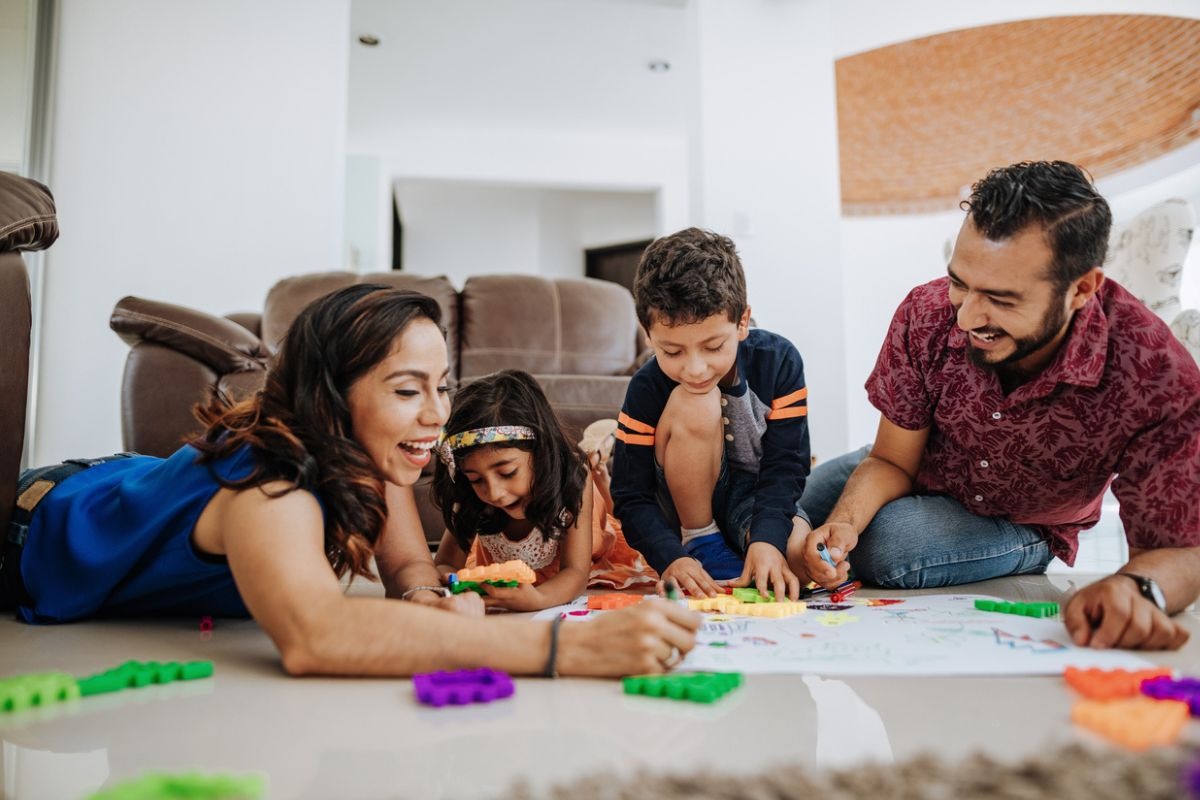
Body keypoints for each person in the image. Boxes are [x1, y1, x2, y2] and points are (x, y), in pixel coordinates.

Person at [1, 284, 698, 676]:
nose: (437, 416)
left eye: (442, 386)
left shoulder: (377, 453)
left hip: (124, 483)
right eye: (405, 390)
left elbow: (403, 561)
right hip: (31, 523)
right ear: (333, 399)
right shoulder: (270, 483)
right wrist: (560, 648)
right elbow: (315, 635)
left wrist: (426, 595)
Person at [800, 160, 1200, 651]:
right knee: (791, 506)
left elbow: (1178, 549)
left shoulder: (1153, 371)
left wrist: (1132, 588)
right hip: (920, 467)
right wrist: (843, 523)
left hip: (1026, 520)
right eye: (960, 283)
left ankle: (1020, 552)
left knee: (889, 546)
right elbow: (889, 460)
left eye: (1001, 299)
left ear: (1081, 289)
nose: (967, 317)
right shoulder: (926, 312)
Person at [610, 227, 813, 602]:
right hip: (678, 509)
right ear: (648, 336)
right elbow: (630, 494)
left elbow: (786, 466)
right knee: (696, 400)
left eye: (713, 346)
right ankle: (702, 540)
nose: (696, 369)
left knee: (800, 563)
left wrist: (767, 540)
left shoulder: (780, 361)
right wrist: (671, 557)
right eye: (672, 352)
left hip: (752, 496)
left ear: (742, 323)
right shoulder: (645, 388)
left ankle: (744, 548)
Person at [430, 370, 657, 611]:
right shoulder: (471, 494)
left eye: (507, 473)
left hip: (585, 534)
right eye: (476, 479)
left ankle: (596, 455)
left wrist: (538, 599)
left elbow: (575, 573)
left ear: (540, 453)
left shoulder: (573, 479)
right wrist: (450, 586)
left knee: (585, 467)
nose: (494, 492)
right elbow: (445, 564)